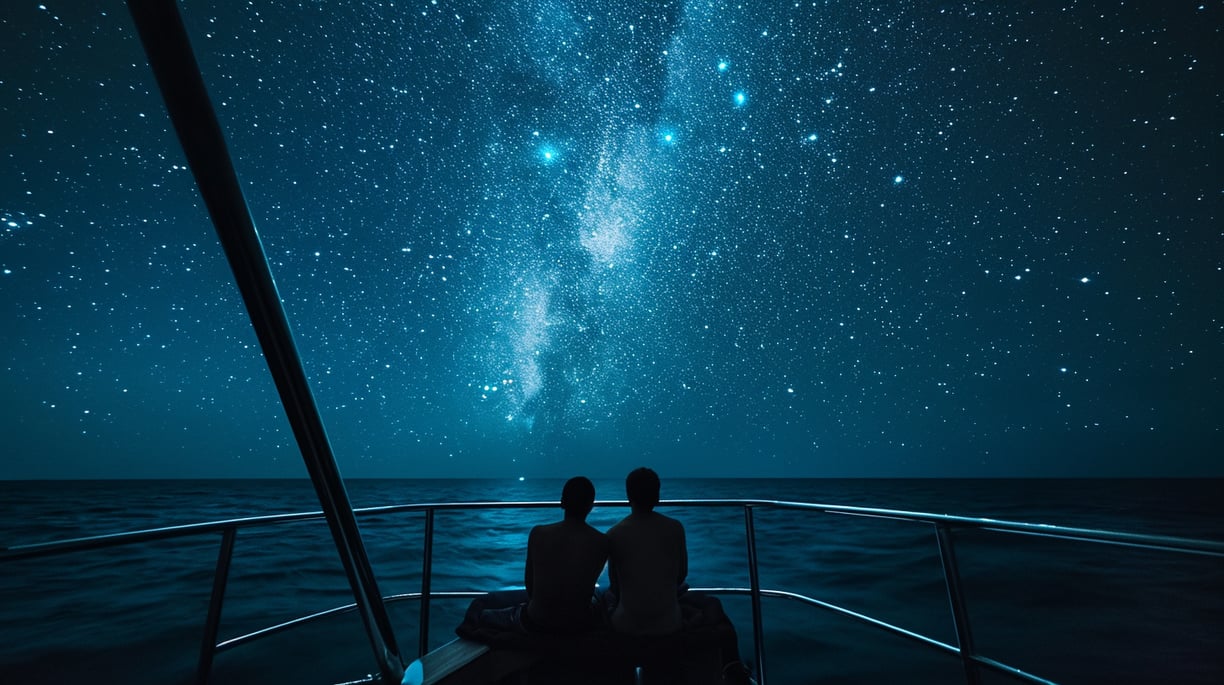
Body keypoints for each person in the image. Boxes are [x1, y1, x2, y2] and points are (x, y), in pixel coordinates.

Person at [607, 467, 755, 684]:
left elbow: (615, 585)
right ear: (657, 496)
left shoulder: (614, 533)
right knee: (712, 604)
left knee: (605, 597)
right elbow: (680, 575)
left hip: (626, 626)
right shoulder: (675, 528)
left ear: (628, 495)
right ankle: (733, 668)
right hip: (668, 626)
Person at [523, 476, 609, 633]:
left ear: (562, 502)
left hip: (537, 621)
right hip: (578, 624)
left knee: (484, 607)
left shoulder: (538, 533)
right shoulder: (602, 542)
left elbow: (530, 585)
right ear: (590, 506)